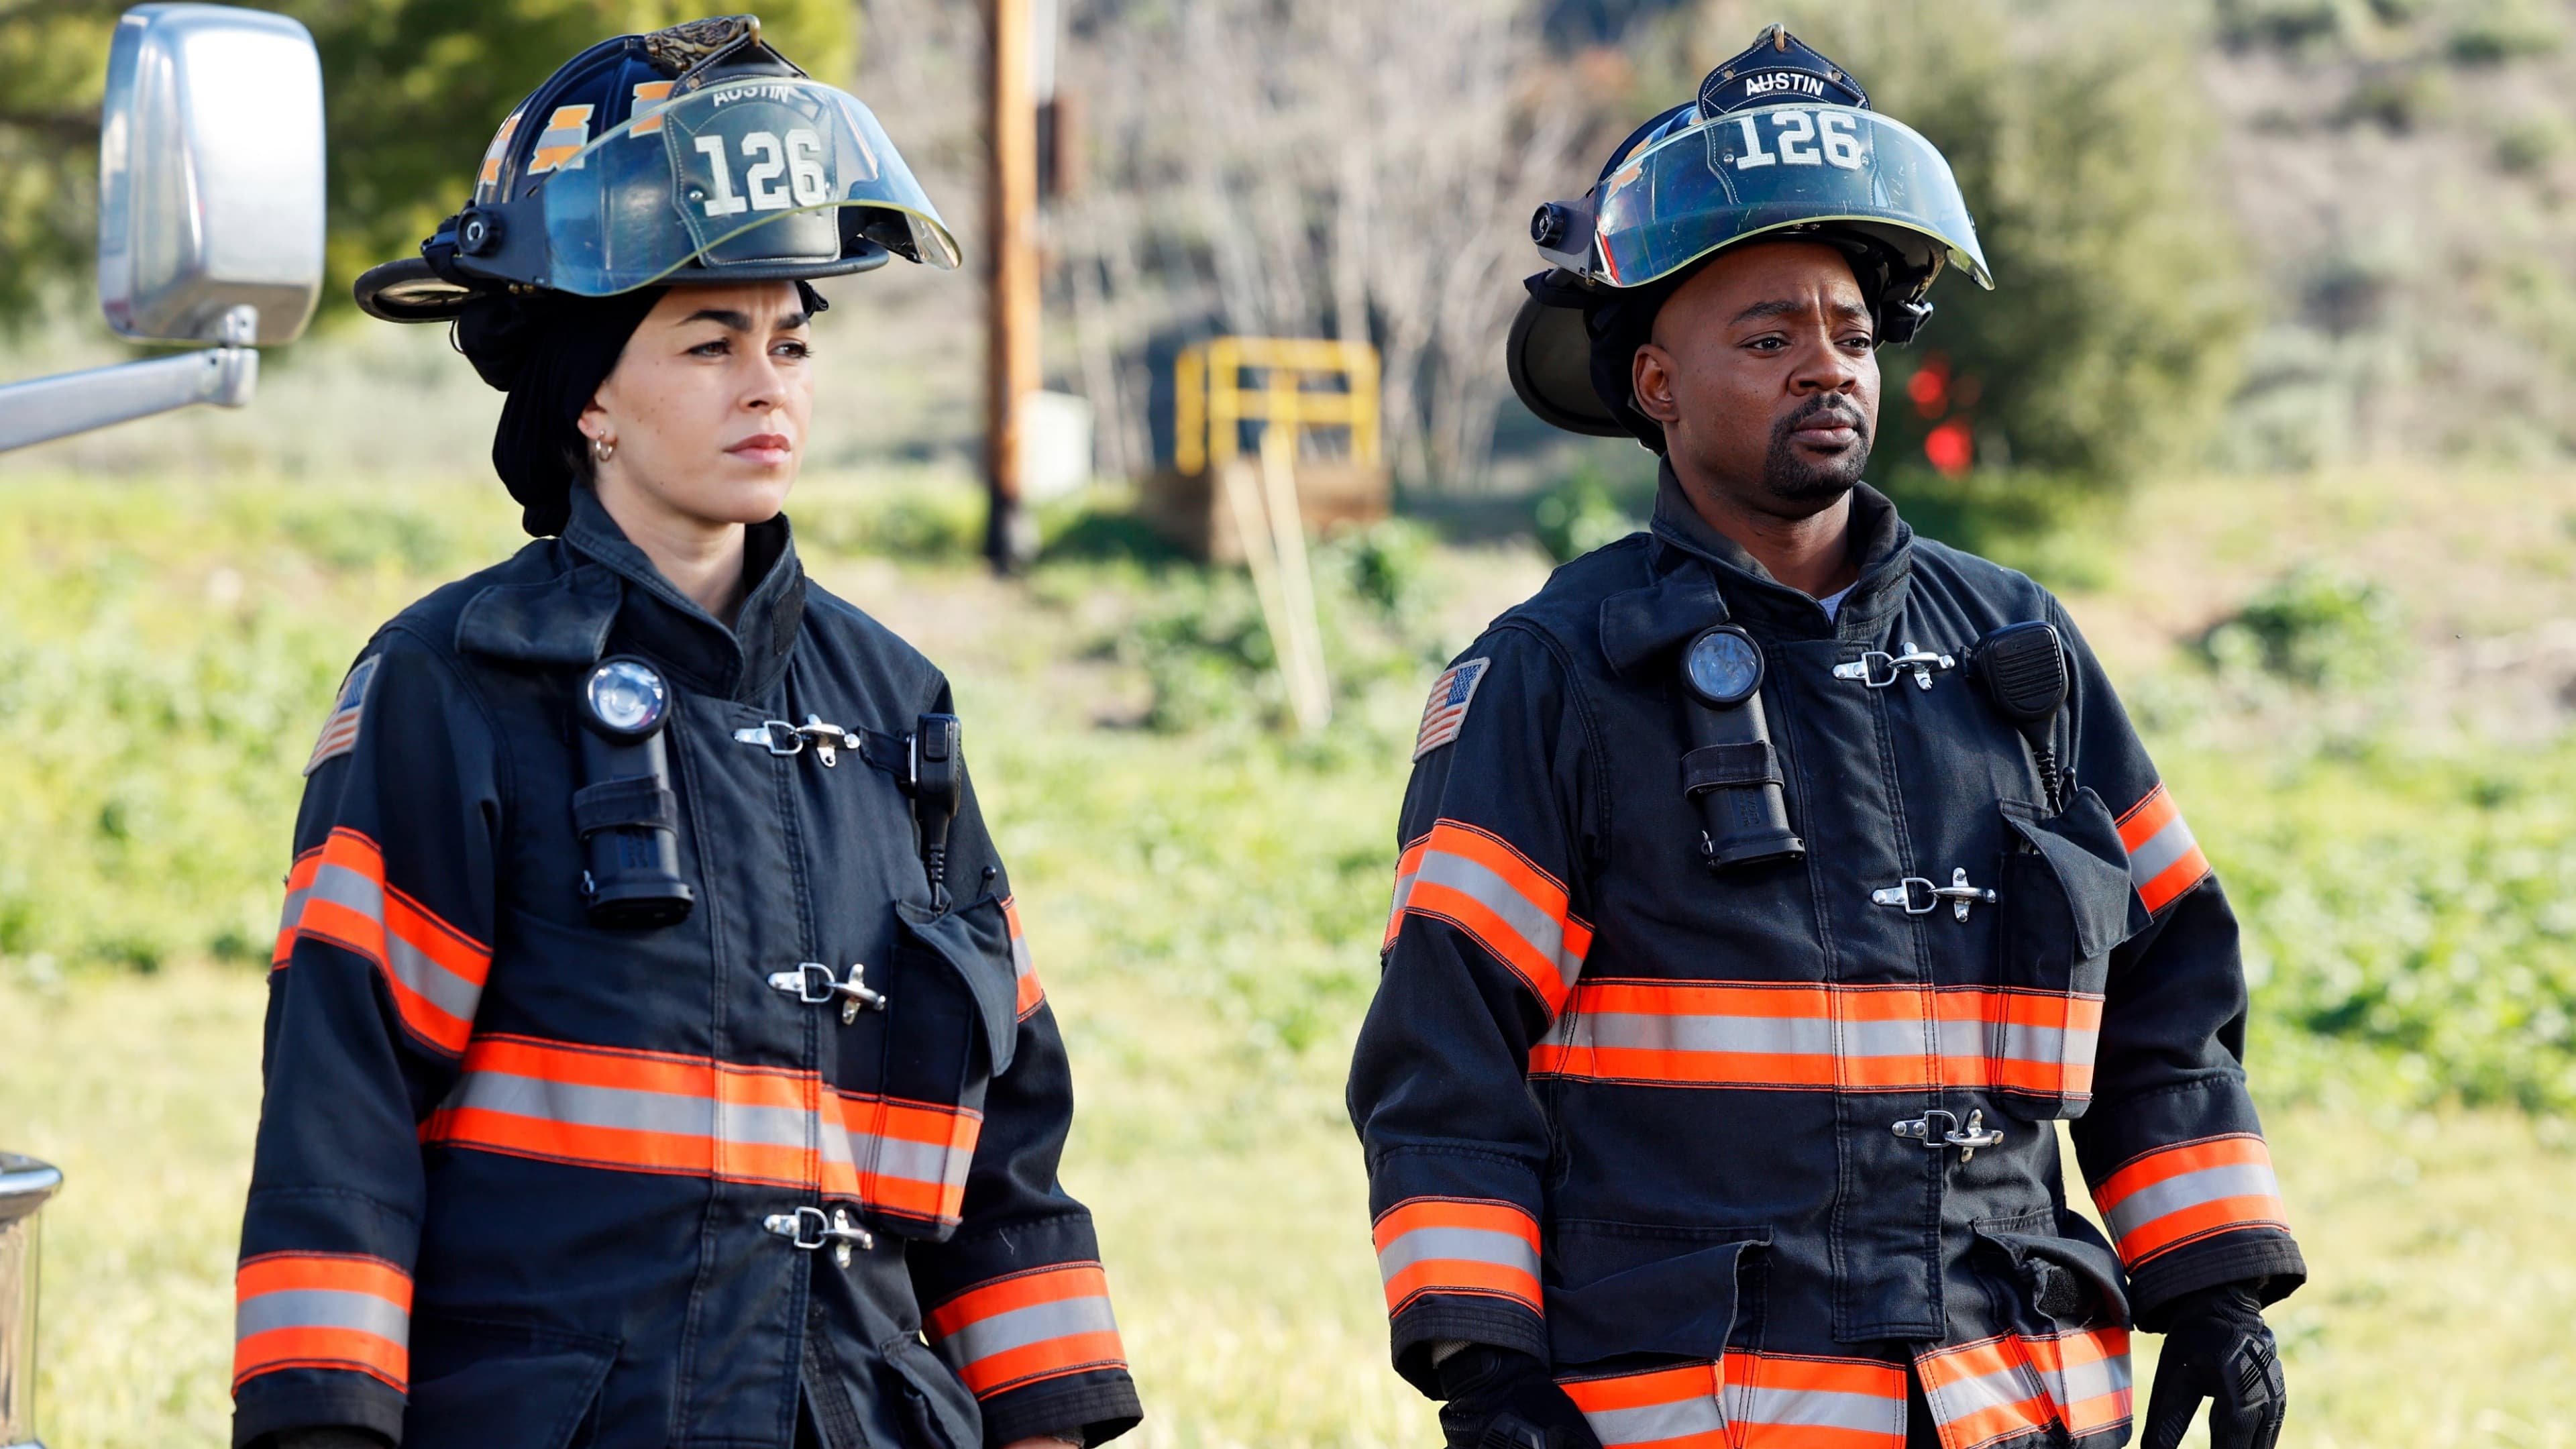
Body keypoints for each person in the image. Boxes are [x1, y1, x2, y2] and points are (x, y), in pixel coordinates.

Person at [1348, 27, 2301, 1449]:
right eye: (1769, 339)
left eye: (1852, 336)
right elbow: (1447, 1055)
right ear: (1656, 386)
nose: (1827, 369)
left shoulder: (2016, 648)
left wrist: (2216, 1284)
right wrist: (1484, 1373)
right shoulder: (1553, 675)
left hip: (2013, 1403)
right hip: (1700, 1413)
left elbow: (2169, 982)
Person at [234, 18, 1140, 1449]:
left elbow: (1008, 1139)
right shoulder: (451, 683)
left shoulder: (894, 703)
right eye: (712, 342)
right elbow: (340, 1110)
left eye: (790, 341)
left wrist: (1048, 1425)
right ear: (588, 393)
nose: (768, 381)